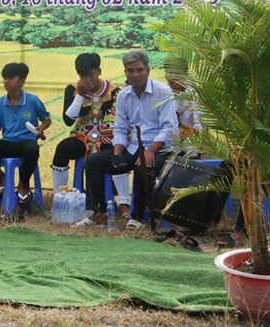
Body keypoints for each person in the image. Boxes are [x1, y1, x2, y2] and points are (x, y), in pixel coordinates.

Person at [77, 50, 178, 229]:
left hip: (161, 149)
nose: (135, 75)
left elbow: (169, 129)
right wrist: (117, 151)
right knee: (93, 162)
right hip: (133, 147)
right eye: (130, 71)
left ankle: (136, 218)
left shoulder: (163, 92)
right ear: (125, 73)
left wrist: (150, 150)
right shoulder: (124, 95)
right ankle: (98, 213)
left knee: (143, 167)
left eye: (139, 70)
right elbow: (120, 128)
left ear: (148, 70)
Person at [50, 53, 132, 219]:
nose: (87, 80)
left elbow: (119, 120)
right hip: (82, 135)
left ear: (99, 71)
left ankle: (123, 203)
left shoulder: (115, 92)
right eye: (82, 76)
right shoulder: (73, 90)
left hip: (106, 137)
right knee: (63, 149)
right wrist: (80, 94)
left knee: (117, 154)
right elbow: (68, 120)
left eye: (90, 75)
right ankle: (60, 199)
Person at [0, 62, 51, 217]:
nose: (6, 82)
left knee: (32, 149)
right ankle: (0, 178)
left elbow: (46, 119)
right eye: (4, 78)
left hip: (26, 142)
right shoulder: (0, 103)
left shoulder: (32, 100)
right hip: (7, 143)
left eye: (10, 78)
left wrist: (41, 128)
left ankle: (23, 184)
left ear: (22, 81)